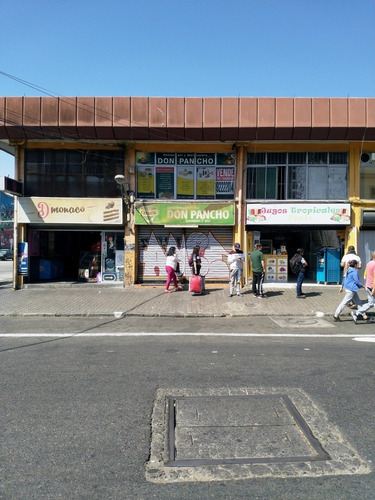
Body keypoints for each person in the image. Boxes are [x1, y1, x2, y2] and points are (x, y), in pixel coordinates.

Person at [351, 251, 375, 322]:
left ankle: (356, 313)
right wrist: (374, 288)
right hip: (372, 286)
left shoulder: (368, 263)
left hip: (368, 285)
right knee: (371, 303)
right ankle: (356, 312)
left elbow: (366, 274)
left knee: (371, 303)